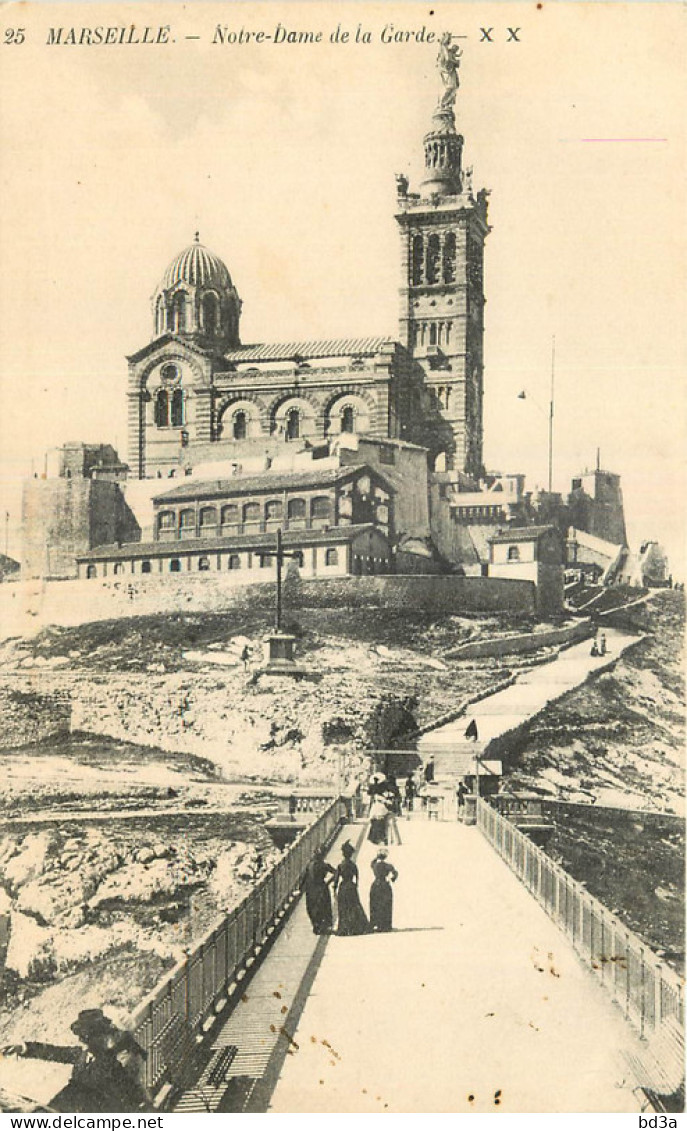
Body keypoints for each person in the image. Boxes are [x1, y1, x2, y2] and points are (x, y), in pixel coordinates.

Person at [2, 1009, 152, 1113]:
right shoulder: (85, 1053)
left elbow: (128, 1096)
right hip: (66, 1104)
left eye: (86, 1037)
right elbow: (54, 1052)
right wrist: (23, 1048)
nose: (81, 1041)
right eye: (81, 1037)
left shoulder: (115, 1063)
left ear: (102, 1037)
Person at [334, 841, 370, 936]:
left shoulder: (340, 865)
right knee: (354, 906)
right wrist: (355, 885)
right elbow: (357, 877)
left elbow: (336, 879)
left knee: (343, 907)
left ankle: (344, 928)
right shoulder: (353, 865)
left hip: (343, 887)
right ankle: (356, 927)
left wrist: (334, 888)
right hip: (351, 886)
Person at [302, 846, 335, 935]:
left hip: (311, 889)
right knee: (323, 906)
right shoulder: (324, 865)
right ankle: (323, 925)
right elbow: (336, 873)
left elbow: (304, 878)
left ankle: (316, 924)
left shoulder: (309, 865)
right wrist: (329, 882)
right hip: (321, 887)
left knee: (312, 907)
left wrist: (301, 888)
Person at [369, 850, 398, 933]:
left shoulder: (375, 865)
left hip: (375, 885)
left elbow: (371, 862)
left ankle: (375, 923)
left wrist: (376, 857)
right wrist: (393, 879)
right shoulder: (388, 866)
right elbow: (395, 873)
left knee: (375, 904)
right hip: (385, 885)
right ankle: (385, 925)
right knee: (385, 904)